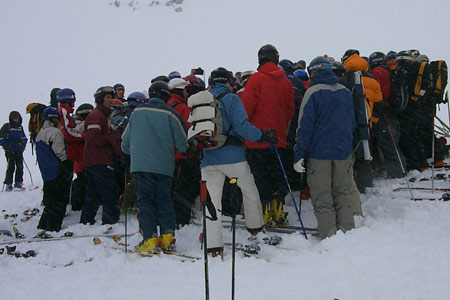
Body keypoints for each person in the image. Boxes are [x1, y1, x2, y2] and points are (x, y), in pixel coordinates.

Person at [197, 67, 277, 257]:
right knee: (249, 190)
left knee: (211, 201)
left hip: (208, 158)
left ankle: (214, 246)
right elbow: (241, 126)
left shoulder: (201, 101)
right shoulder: (231, 98)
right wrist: (263, 136)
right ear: (227, 81)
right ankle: (255, 229)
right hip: (233, 157)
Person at [121, 81, 188, 254]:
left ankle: (150, 238)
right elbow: (183, 144)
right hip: (164, 166)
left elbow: (125, 143)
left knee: (144, 201)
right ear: (166, 96)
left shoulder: (137, 113)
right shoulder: (171, 114)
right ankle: (167, 237)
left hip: (142, 165)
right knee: (164, 200)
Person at [293, 56, 355, 240]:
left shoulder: (313, 92)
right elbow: (352, 122)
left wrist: (299, 154)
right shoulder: (345, 91)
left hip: (319, 153)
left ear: (314, 72)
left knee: (322, 196)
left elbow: (304, 127)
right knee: (342, 193)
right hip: (343, 151)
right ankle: (348, 233)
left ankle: (329, 236)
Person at [241, 44, 295, 225]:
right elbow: (290, 112)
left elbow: (246, 110)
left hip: (257, 140)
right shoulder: (286, 82)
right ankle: (277, 210)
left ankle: (263, 213)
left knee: (260, 179)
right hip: (278, 140)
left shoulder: (256, 80)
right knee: (277, 177)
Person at [80, 86, 122, 225]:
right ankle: (110, 221)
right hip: (100, 160)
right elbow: (93, 137)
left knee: (93, 193)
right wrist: (111, 138)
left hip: (95, 160)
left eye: (111, 97)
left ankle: (86, 221)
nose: (111, 100)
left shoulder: (103, 115)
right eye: (108, 97)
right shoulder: (97, 115)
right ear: (100, 99)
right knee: (109, 191)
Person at [167, 77, 201, 227]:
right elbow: (191, 130)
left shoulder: (167, 106)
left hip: (167, 156)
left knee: (171, 189)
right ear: (182, 90)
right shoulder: (182, 108)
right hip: (182, 155)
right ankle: (181, 220)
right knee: (184, 190)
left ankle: (172, 218)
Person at [368, 51, 406, 179]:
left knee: (388, 142)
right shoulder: (387, 70)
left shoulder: (378, 71)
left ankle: (397, 172)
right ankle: (399, 169)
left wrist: (376, 109)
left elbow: (378, 92)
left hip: (384, 111)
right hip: (390, 110)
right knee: (392, 141)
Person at [36, 107, 72, 232]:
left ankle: (43, 224)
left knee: (50, 200)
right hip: (56, 170)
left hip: (46, 172)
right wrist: (67, 166)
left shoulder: (40, 133)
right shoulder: (55, 133)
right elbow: (60, 152)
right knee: (60, 200)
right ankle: (53, 226)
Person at [70, 103, 94, 211]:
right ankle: (79, 204)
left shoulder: (76, 127)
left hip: (79, 159)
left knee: (81, 182)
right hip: (85, 159)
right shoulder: (86, 126)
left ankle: (77, 203)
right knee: (85, 183)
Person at [0, 111, 27, 191]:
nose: (16, 119)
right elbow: (1, 138)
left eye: (17, 118)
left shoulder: (20, 127)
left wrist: (22, 146)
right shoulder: (6, 126)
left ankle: (18, 182)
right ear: (11, 118)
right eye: (14, 118)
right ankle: (8, 184)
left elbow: (24, 138)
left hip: (18, 150)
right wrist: (7, 147)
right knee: (11, 166)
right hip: (9, 151)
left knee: (20, 166)